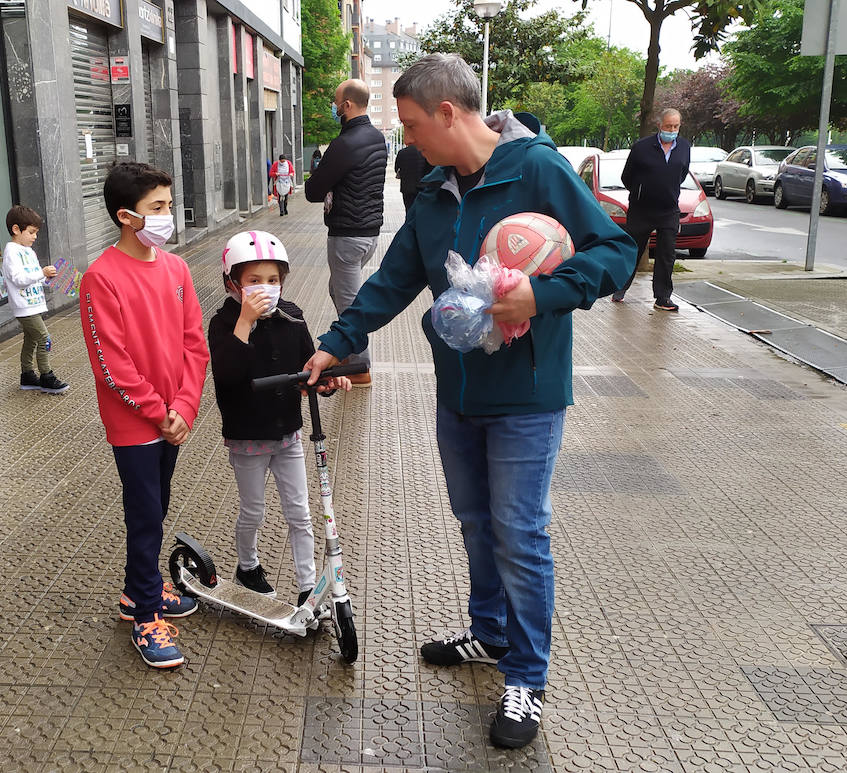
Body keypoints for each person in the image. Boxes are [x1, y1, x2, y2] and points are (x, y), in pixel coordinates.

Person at [302, 54, 636, 749]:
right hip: (456, 391)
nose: (412, 140)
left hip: (526, 395)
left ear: (450, 113)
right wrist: (336, 342)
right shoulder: (431, 191)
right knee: (475, 520)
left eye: (416, 126)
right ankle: (488, 633)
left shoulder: (537, 171)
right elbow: (392, 279)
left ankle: (526, 677)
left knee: (520, 530)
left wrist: (541, 293)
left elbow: (615, 250)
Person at [81, 161, 209, 669]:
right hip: (135, 423)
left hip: (171, 418)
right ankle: (145, 618)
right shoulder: (101, 278)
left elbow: (194, 345)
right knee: (145, 517)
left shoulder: (176, 269)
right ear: (126, 216)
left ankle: (141, 593)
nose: (168, 216)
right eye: (158, 208)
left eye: (169, 205)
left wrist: (184, 407)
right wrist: (159, 413)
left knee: (156, 508)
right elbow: (111, 364)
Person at [207, 231, 351, 607]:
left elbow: (307, 371)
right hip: (247, 436)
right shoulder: (224, 324)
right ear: (232, 283)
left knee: (300, 512)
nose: (265, 289)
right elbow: (226, 372)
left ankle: (306, 586)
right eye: (254, 281)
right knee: (253, 509)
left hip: (287, 432)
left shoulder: (292, 317)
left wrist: (325, 384)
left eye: (273, 280)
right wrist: (245, 320)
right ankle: (247, 566)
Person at [303, 78, 387, 387]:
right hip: (370, 234)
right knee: (337, 291)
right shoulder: (378, 138)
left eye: (336, 101)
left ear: (346, 105)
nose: (333, 106)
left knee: (350, 303)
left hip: (346, 235)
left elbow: (313, 191)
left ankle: (360, 367)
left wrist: (318, 172)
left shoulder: (344, 144)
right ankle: (349, 352)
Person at [613, 108, 691, 311]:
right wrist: (641, 192)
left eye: (675, 126)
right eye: (668, 126)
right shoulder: (641, 147)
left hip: (669, 210)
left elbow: (682, 173)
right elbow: (626, 177)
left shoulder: (684, 147)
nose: (672, 130)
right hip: (642, 209)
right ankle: (620, 288)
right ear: (660, 125)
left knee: (666, 254)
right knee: (633, 250)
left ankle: (663, 297)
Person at [1, 204, 70, 395]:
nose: (35, 236)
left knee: (31, 340)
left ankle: (28, 375)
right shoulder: (12, 252)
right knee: (44, 339)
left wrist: (46, 278)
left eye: (35, 232)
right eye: (31, 232)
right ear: (16, 229)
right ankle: (46, 376)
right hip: (24, 307)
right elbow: (19, 280)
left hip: (33, 305)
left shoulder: (28, 251)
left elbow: (33, 278)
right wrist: (41, 272)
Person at [395, 143, 434, 213]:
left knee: (409, 211)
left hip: (407, 188)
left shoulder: (402, 153)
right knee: (422, 212)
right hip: (422, 188)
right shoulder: (424, 152)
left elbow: (396, 169)